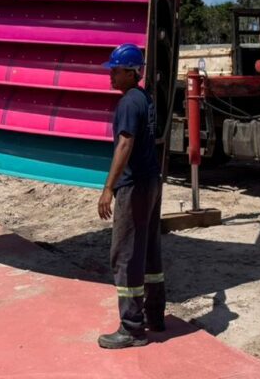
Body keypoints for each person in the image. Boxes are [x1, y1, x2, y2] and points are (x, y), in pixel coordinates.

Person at [96, 43, 166, 349]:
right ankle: (154, 315)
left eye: (115, 70)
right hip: (151, 182)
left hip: (134, 186)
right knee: (149, 249)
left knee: (124, 254)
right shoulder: (144, 98)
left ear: (131, 72)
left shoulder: (127, 103)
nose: (110, 75)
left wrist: (108, 188)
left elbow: (124, 145)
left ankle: (132, 328)